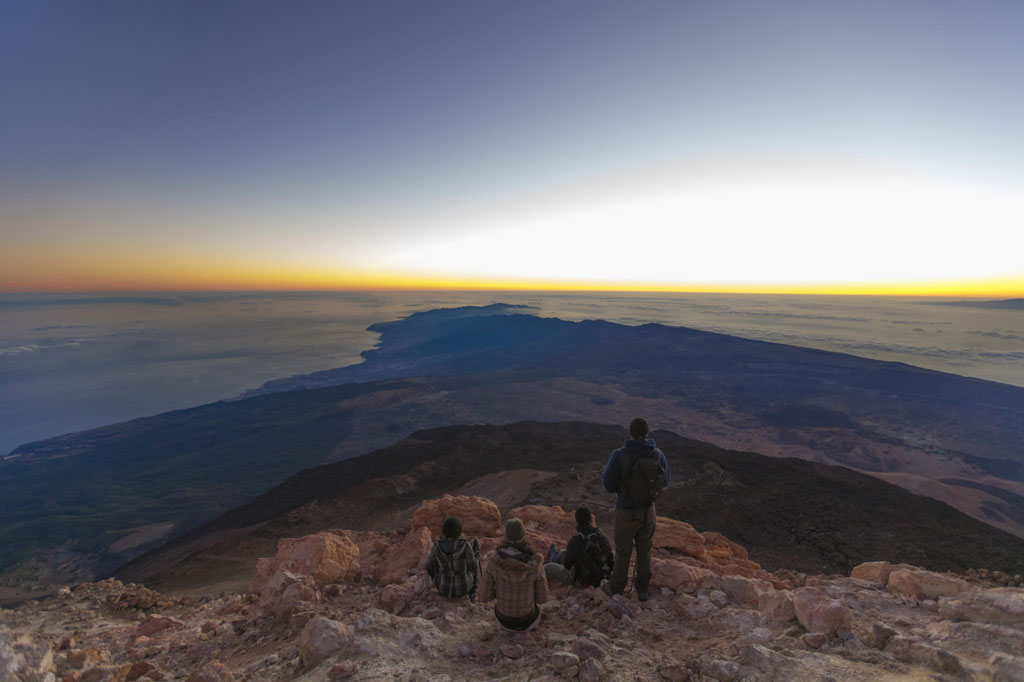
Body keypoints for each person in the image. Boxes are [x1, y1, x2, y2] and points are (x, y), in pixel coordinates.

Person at [601, 417, 670, 601]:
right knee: (644, 550)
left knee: (623, 551)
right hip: (648, 510)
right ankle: (643, 590)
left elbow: (608, 484)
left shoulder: (619, 455)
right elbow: (666, 481)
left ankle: (617, 587)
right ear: (647, 433)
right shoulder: (657, 455)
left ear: (630, 434)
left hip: (625, 510)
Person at [479, 518, 549, 631]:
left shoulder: (494, 562)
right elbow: (543, 598)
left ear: (506, 536)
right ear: (523, 536)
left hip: (503, 621)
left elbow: (483, 597)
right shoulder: (535, 564)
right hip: (528, 621)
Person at [545, 506, 614, 588]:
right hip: (603, 575)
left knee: (548, 567)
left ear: (577, 521)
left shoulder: (576, 540)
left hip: (583, 580)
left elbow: (567, 566)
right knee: (566, 552)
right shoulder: (600, 533)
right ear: (590, 519)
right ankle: (557, 555)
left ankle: (554, 560)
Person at [426, 516, 480, 601]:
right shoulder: (466, 546)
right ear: (459, 531)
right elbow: (472, 567)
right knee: (475, 561)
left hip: (443, 588)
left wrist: (437, 576)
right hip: (464, 587)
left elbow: (430, 567)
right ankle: (472, 593)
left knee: (434, 564)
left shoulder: (437, 546)